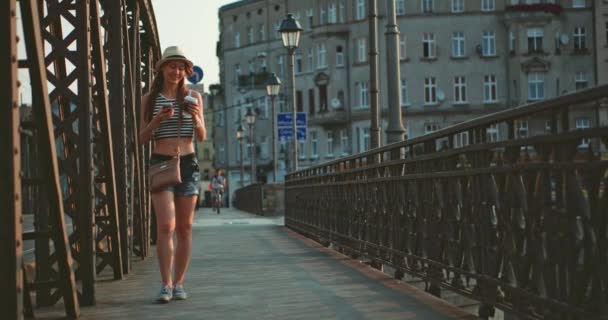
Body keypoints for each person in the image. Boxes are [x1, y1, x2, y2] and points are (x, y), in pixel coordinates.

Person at [139, 46, 206, 303]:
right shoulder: (149, 99)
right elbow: (142, 137)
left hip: (188, 163)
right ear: (162, 68)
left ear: (186, 71)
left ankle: (179, 283)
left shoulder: (194, 97)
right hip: (161, 162)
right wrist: (156, 120)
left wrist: (197, 118)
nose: (176, 71)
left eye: (181, 67)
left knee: (186, 228)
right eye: (172, 66)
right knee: (166, 225)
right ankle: (165, 284)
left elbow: (201, 136)